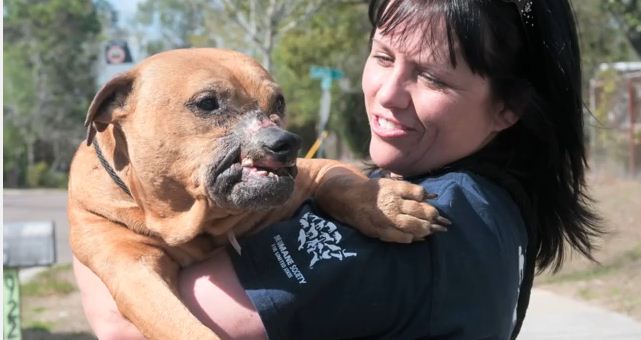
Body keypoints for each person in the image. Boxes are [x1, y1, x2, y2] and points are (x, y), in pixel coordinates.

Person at [73, 0, 603, 338]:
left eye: (434, 79)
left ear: (507, 107)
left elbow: (126, 328)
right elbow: (313, 176)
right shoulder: (496, 207)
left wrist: (96, 241)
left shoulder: (430, 219)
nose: (387, 95)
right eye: (383, 57)